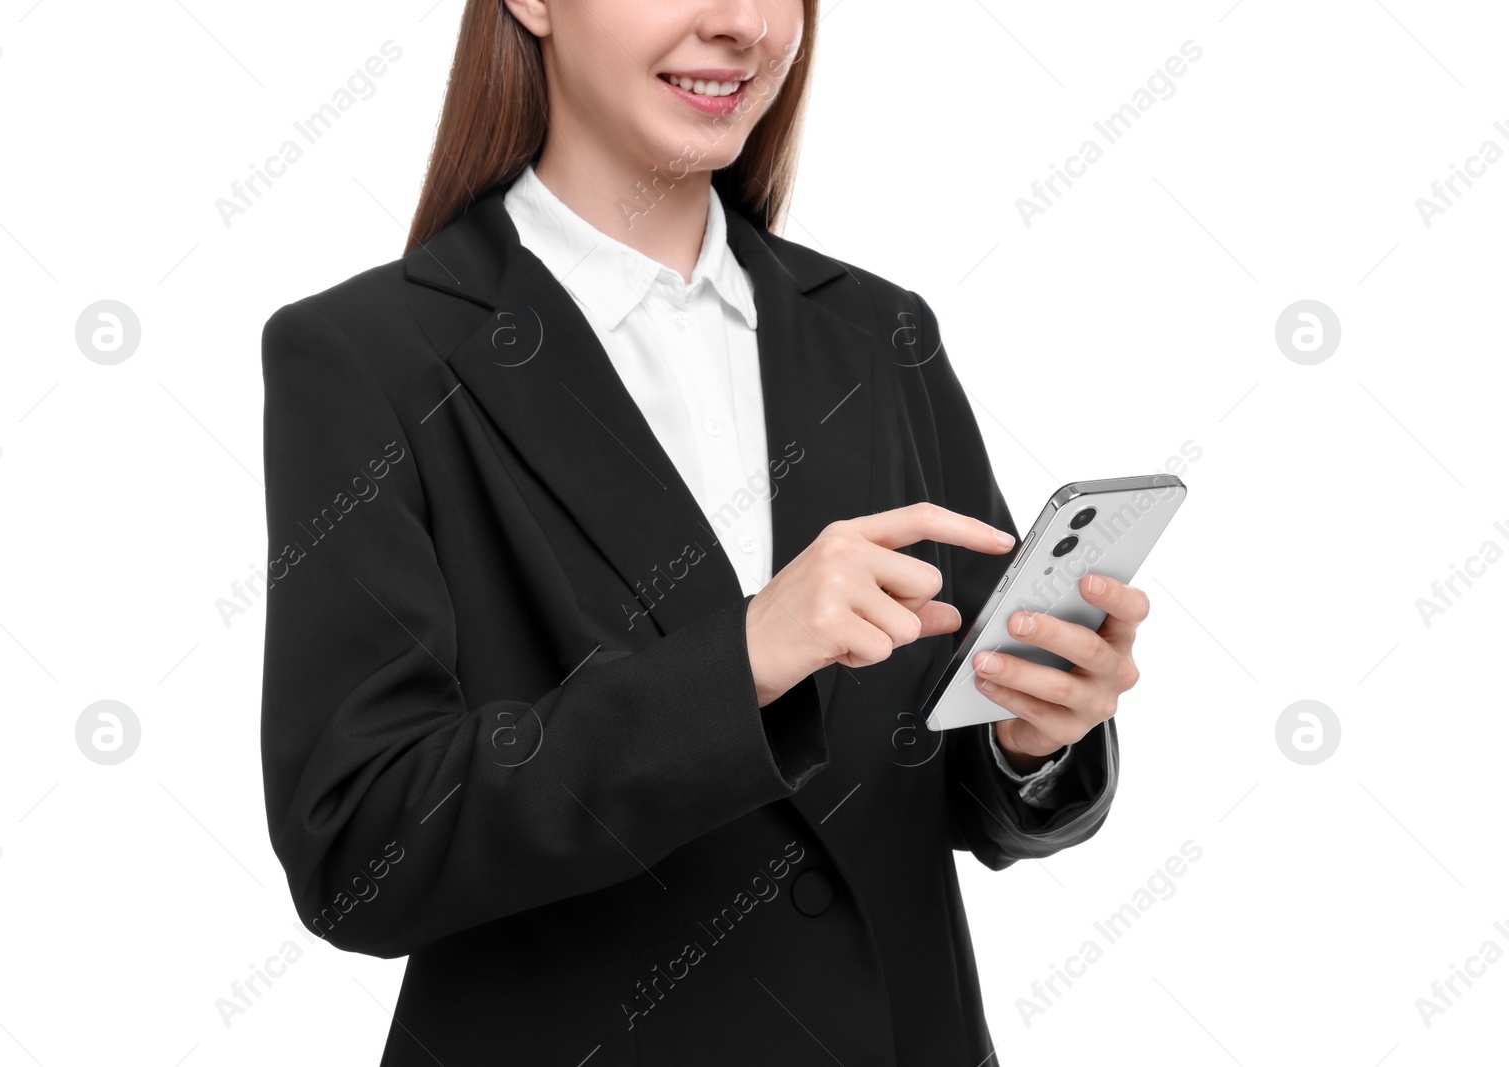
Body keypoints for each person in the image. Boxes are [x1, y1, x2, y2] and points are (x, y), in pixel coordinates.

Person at [259, 0, 1150, 1062]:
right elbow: (364, 848)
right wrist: (740, 661)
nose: (740, 23)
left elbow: (943, 783)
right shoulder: (368, 357)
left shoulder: (880, 331)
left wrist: (1030, 736)